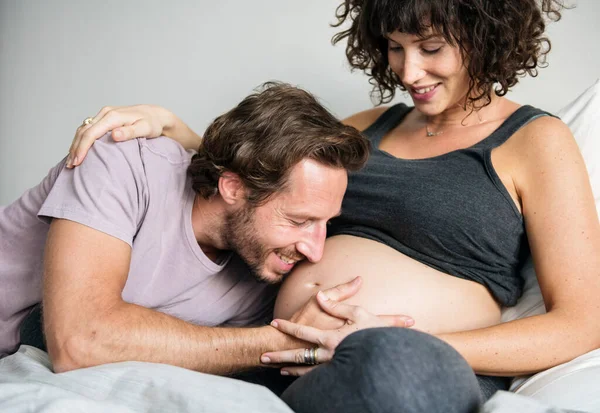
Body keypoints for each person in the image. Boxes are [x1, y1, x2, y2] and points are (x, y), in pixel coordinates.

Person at [63, 0, 600, 412]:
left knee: (391, 371)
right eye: (395, 47)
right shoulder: (368, 126)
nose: (409, 72)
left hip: (410, 363)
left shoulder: (537, 140)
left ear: (485, 35)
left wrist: (397, 339)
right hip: (282, 358)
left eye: (430, 48)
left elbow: (583, 321)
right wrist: (172, 127)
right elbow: (261, 182)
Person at [1, 82, 415, 377]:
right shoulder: (122, 160)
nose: (315, 250)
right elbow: (80, 342)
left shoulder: (260, 274)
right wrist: (278, 344)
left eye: (326, 223)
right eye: (299, 221)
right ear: (233, 187)